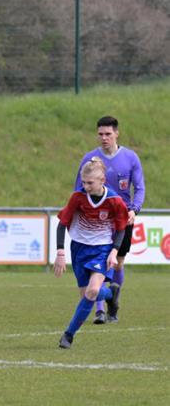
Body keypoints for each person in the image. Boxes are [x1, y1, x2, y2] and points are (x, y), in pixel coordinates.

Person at [74, 116, 145, 324]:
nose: (104, 138)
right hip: (97, 220)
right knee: (95, 264)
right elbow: (78, 189)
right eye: (100, 134)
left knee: (117, 264)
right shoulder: (90, 159)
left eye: (108, 134)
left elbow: (139, 188)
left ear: (116, 133)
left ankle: (113, 302)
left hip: (122, 219)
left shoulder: (130, 158)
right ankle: (99, 311)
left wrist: (134, 210)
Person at [55, 158, 129, 349]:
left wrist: (114, 251)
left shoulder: (114, 200)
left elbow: (121, 228)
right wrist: (60, 252)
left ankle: (68, 335)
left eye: (90, 183)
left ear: (102, 180)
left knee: (93, 290)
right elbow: (62, 224)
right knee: (87, 295)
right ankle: (110, 294)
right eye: (84, 182)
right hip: (79, 249)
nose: (85, 186)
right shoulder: (77, 197)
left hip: (102, 249)